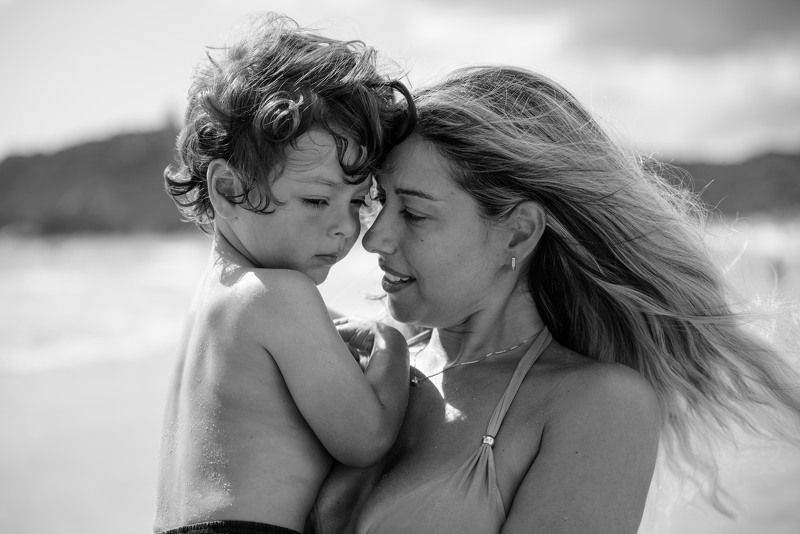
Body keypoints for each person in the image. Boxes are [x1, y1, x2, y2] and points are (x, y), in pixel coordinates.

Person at [309, 66, 800, 534]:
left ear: (518, 233)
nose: (373, 239)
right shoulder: (358, 358)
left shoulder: (601, 404)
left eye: (413, 213)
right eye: (377, 203)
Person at [154, 14, 413, 534]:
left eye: (358, 203)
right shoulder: (281, 296)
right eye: (317, 199)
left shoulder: (218, 302)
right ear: (228, 191)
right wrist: (392, 346)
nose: (345, 229)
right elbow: (366, 438)